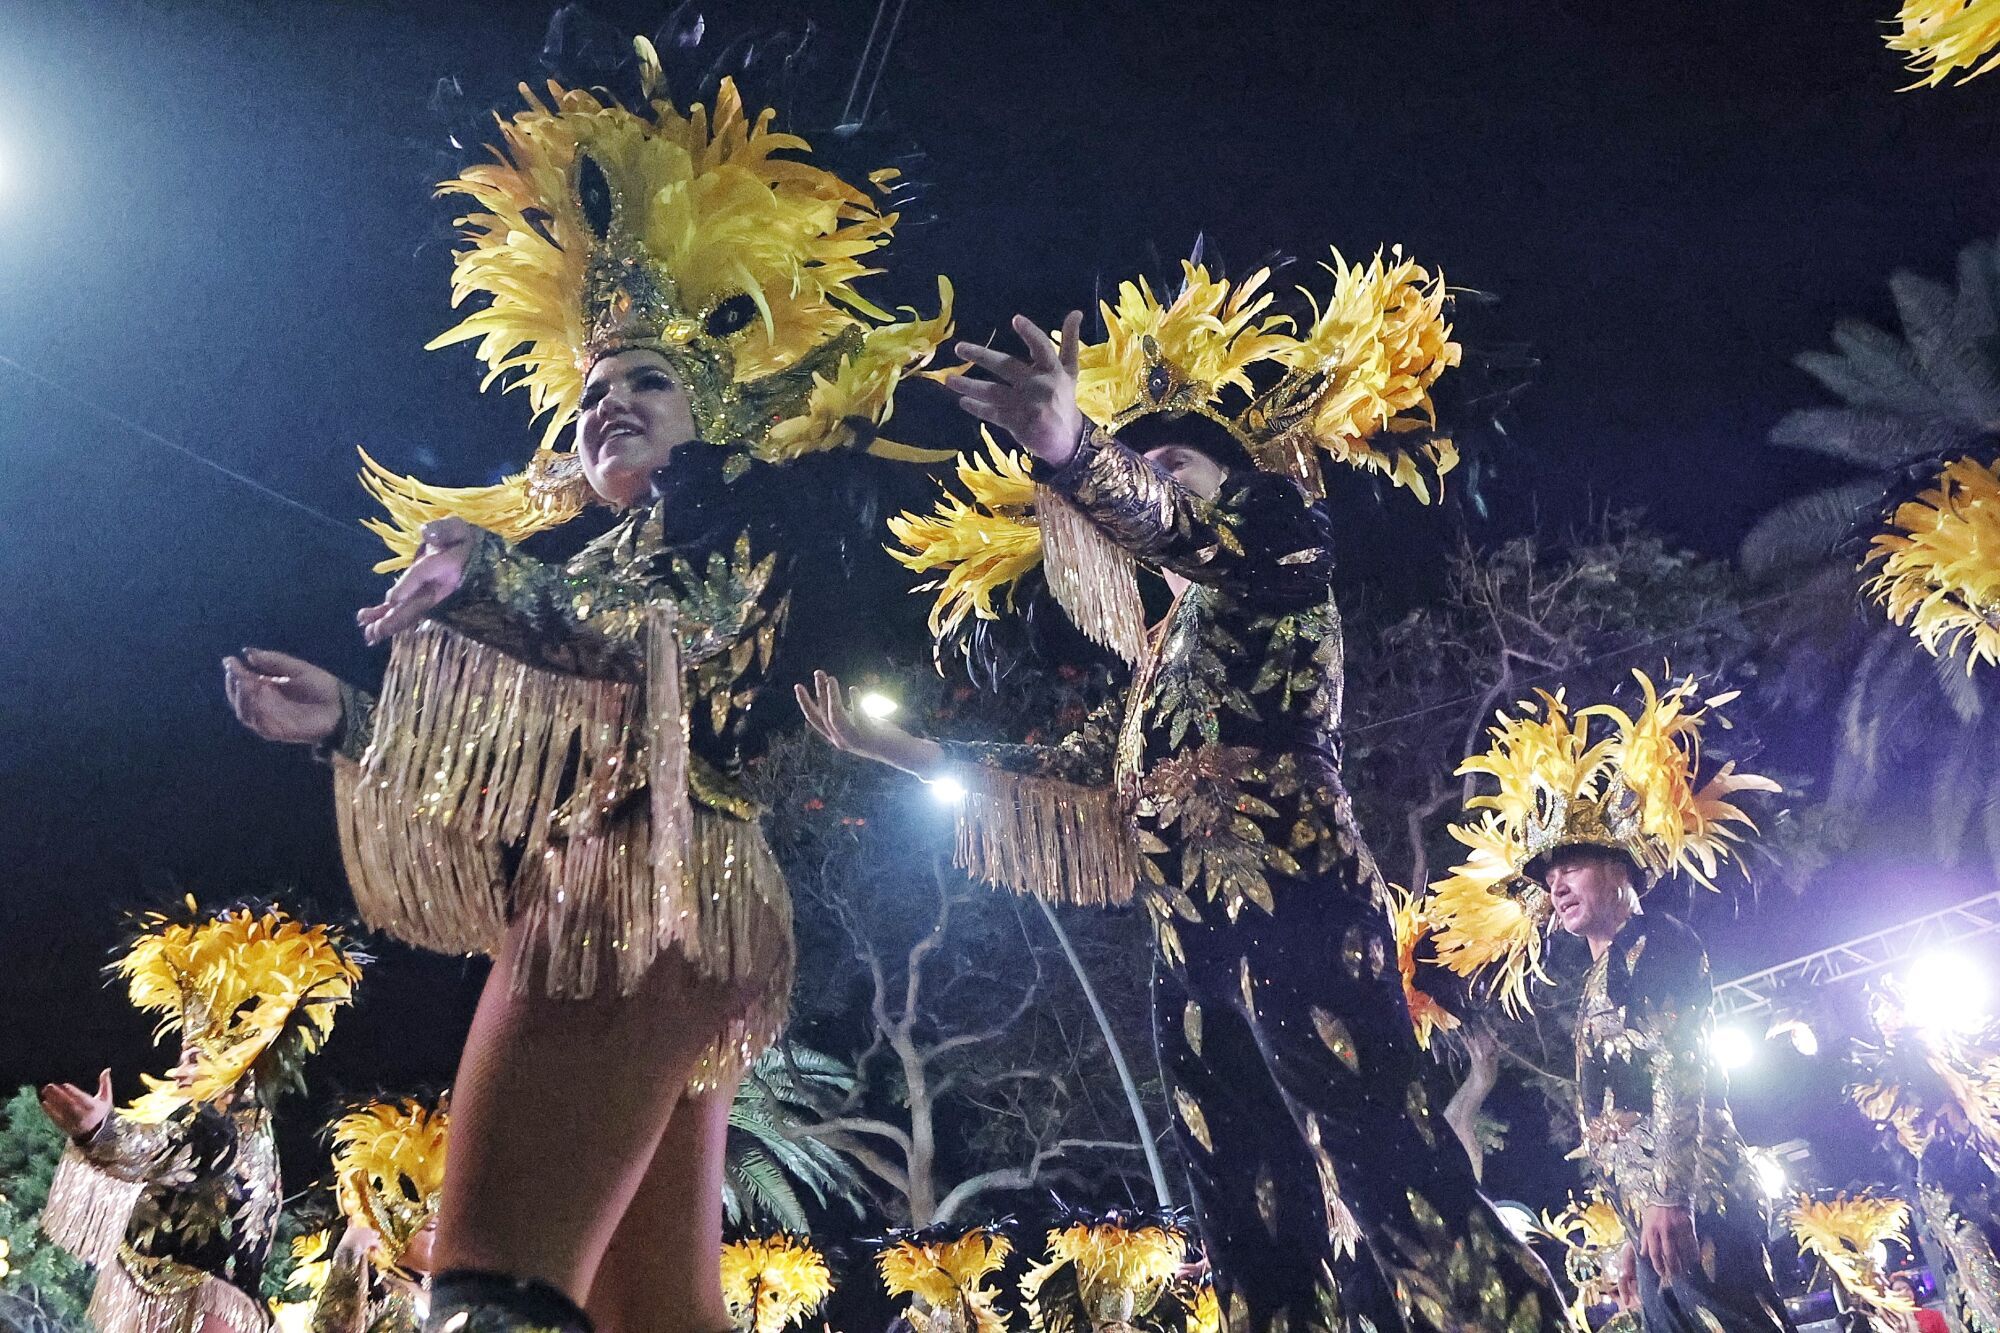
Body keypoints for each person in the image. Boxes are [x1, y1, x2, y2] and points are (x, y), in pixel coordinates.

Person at [224, 37, 951, 1333]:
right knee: (651, 1320)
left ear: (711, 413)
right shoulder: (590, 563)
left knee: (486, 1290)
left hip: (643, 893)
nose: (607, 404)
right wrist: (352, 722)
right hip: (643, 901)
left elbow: (674, 644)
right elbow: (520, 770)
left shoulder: (737, 521)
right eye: (591, 391)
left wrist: (491, 582)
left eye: (647, 382)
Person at [802, 255, 1567, 1333]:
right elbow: (1071, 776)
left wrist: (1075, 446)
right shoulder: (1154, 661)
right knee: (1249, 1227)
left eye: (1169, 466)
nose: (1145, 481)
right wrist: (914, 753)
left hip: (1301, 911)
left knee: (1390, 1175)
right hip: (1189, 961)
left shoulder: (1282, 536)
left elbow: (1196, 531)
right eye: (1136, 465)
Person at [1427, 678, 1793, 1333]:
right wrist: (1632, 1230)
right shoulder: (1602, 973)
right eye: (1549, 878)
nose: (1556, 886)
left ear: (1619, 867)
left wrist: (1670, 1197)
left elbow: (1682, 1066)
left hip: (1697, 1197)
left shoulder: (1659, 943)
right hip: (1657, 1215)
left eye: (1570, 866)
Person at [39, 903, 365, 1333]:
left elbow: (174, 1152)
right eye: (186, 1053)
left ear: (238, 1058)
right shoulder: (218, 1119)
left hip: (203, 1312)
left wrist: (103, 1131)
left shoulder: (229, 1126)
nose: (182, 1068)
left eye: (198, 1057)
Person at [1851, 990, 2000, 1333]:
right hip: (1953, 1200)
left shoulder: (1943, 1058)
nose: (1886, 1020)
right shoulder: (1929, 1172)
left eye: (1890, 1011)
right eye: (1879, 1016)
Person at [305, 1097, 449, 1333]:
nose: (445, 1237)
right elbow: (332, 1328)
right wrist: (349, 1254)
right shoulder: (380, 1289)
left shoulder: (456, 1296)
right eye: (431, 1228)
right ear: (392, 1231)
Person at [1885, 1276, 1951, 1333]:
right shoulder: (1890, 1321)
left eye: (1907, 1289)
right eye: (1898, 1290)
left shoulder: (1933, 1315)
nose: (1903, 1293)